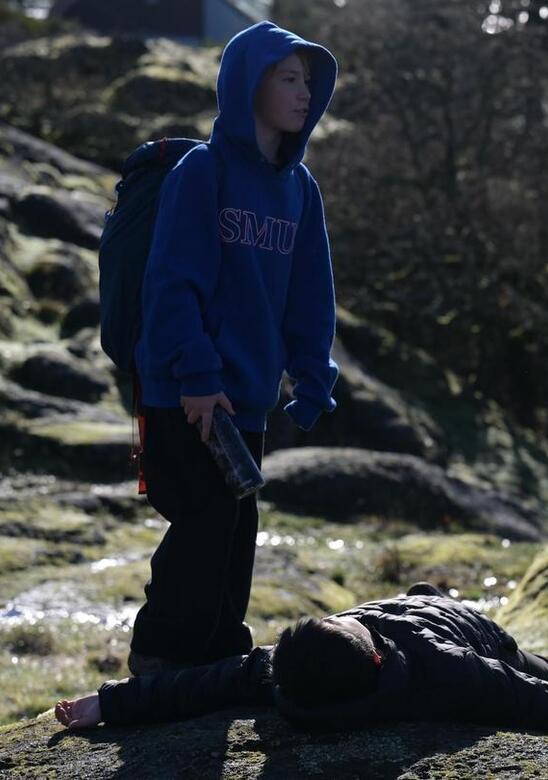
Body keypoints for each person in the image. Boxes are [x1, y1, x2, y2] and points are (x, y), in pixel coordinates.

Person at [127, 21, 342, 677]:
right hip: (186, 392)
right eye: (287, 78)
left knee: (236, 532)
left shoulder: (299, 188)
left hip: (246, 397)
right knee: (204, 523)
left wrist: (312, 377)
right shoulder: (203, 171)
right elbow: (172, 283)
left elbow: (310, 293)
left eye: (308, 81)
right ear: (249, 84)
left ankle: (221, 651)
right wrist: (195, 374)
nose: (303, 93)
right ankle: (158, 657)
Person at [56, 583, 548, 747]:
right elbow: (545, 705)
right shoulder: (451, 670)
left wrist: (107, 703)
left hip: (417, 607)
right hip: (482, 639)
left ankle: (427, 589)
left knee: (426, 590)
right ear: (374, 654)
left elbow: (198, 685)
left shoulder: (284, 675)